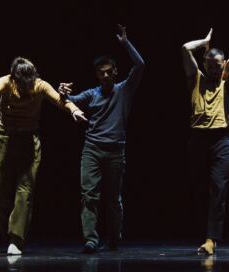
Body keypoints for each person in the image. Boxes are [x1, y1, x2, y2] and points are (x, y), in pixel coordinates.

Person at [0, 57, 87, 255]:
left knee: (25, 192)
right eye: (20, 82)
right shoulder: (6, 82)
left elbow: (60, 100)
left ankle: (16, 240)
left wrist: (74, 110)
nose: (24, 88)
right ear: (14, 78)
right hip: (5, 139)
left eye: (28, 81)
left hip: (29, 141)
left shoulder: (40, 85)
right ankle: (9, 232)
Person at [57, 24, 144, 254]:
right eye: (100, 72)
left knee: (113, 199)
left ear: (115, 71)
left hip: (116, 151)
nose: (105, 75)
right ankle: (91, 239)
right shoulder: (92, 94)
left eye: (108, 71)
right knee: (89, 196)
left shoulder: (124, 89)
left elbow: (140, 65)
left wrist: (125, 43)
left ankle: (114, 238)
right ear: (97, 74)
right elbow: (69, 101)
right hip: (92, 149)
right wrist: (62, 93)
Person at [182, 28, 229, 255]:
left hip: (222, 140)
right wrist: (205, 43)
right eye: (210, 65)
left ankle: (211, 238)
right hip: (197, 139)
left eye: (218, 65)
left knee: (219, 187)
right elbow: (185, 48)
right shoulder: (196, 79)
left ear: (223, 65)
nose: (214, 69)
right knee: (199, 189)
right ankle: (204, 235)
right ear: (204, 64)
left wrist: (224, 65)